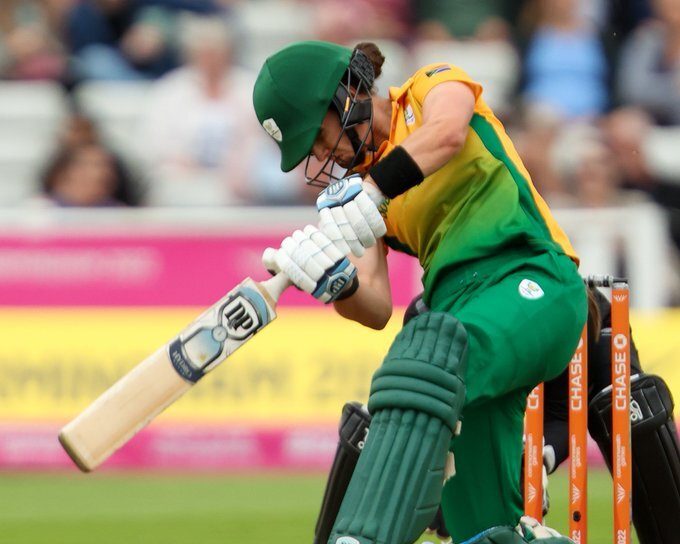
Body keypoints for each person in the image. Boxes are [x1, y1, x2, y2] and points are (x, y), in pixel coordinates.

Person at [253, 40, 587, 543]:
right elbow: (375, 304)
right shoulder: (360, 187)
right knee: (485, 531)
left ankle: (363, 535)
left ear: (345, 93)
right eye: (314, 152)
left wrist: (370, 193)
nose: (324, 155)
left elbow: (448, 134)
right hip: (460, 337)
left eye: (319, 137)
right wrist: (336, 283)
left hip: (534, 280)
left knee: (422, 359)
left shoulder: (431, 84)